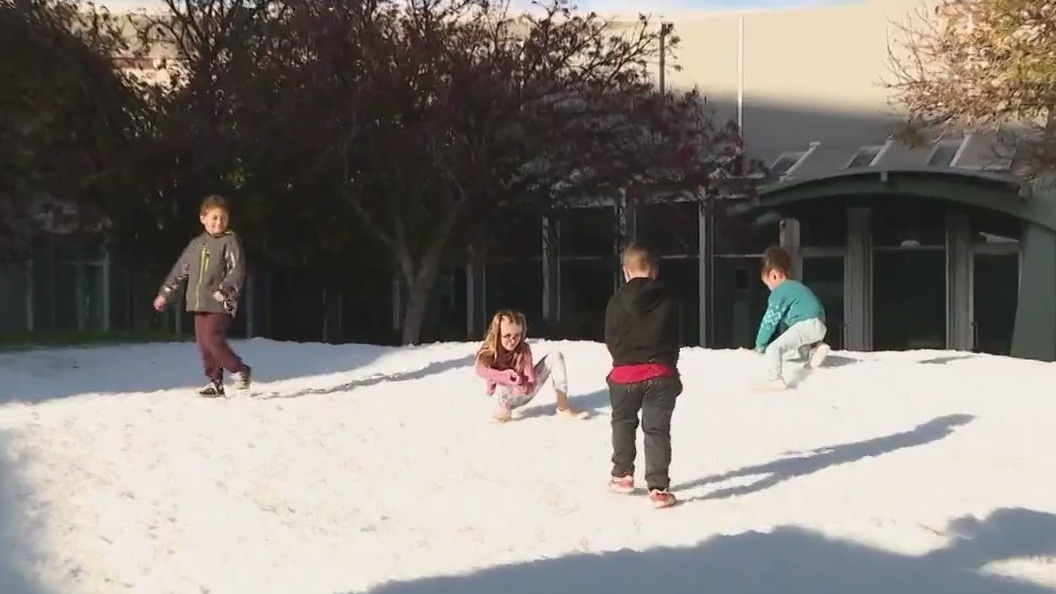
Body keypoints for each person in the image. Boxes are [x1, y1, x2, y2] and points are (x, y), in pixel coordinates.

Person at [604, 243, 682, 509]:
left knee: (623, 422)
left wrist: (621, 358)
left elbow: (610, 336)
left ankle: (622, 474)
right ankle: (658, 488)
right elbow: (673, 336)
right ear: (655, 270)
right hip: (660, 372)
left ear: (626, 271)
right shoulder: (668, 300)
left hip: (624, 374)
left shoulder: (616, 300)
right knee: (657, 429)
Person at [153, 194, 252, 397]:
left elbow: (237, 270)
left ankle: (241, 370)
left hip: (220, 302)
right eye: (214, 217)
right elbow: (179, 270)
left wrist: (224, 290)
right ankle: (215, 382)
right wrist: (164, 293)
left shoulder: (230, 241)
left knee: (213, 339)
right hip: (199, 302)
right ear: (203, 218)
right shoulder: (196, 245)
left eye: (223, 218)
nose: (219, 222)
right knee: (204, 345)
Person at [474, 310, 585, 423]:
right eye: (507, 336)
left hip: (523, 391)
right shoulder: (489, 351)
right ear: (497, 334)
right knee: (497, 380)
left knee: (555, 356)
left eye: (516, 335)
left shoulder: (524, 349)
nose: (512, 341)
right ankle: (504, 411)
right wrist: (505, 376)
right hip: (503, 396)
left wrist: (527, 383)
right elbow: (480, 370)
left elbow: (529, 374)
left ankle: (563, 406)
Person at [753, 245, 831, 391]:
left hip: (805, 325)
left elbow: (769, 321)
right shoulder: (799, 288)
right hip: (818, 325)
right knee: (796, 353)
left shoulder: (780, 291)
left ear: (774, 275)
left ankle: (775, 379)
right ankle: (816, 350)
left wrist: (760, 344)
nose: (769, 289)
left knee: (774, 349)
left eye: (767, 284)